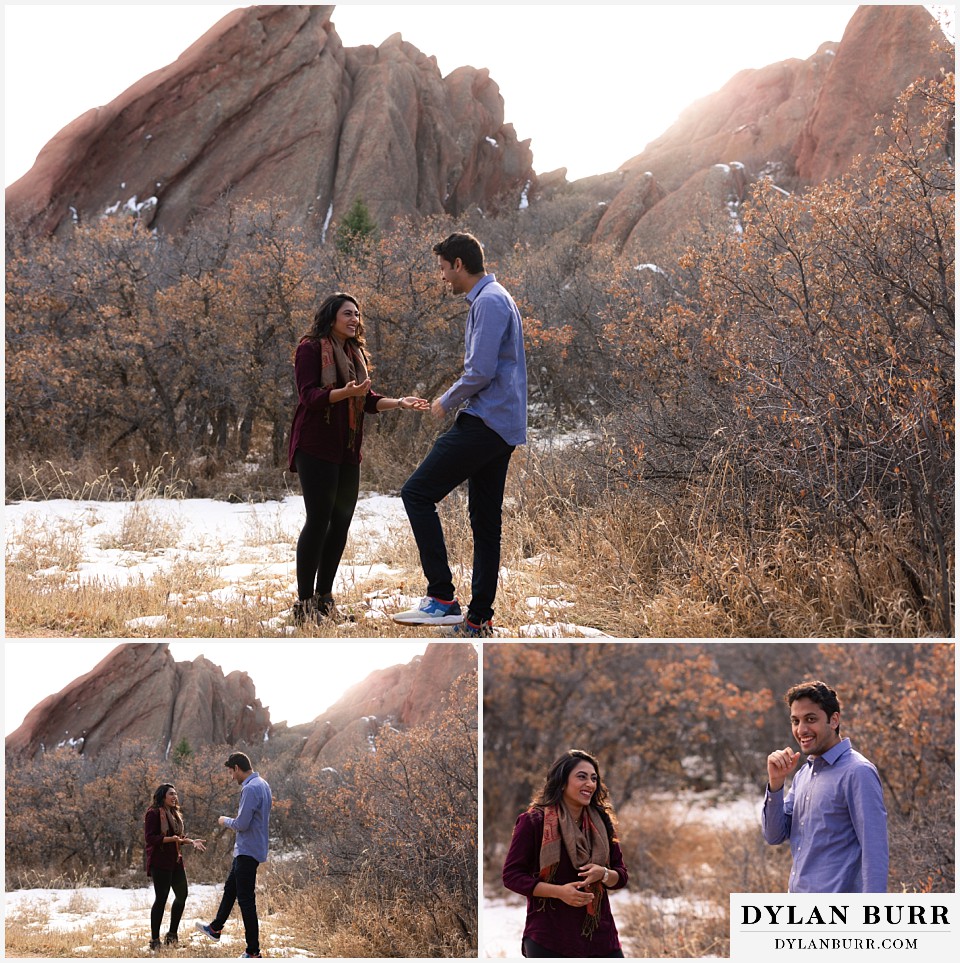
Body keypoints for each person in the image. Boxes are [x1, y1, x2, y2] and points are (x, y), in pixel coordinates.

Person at [392, 232, 527, 637]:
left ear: (459, 264)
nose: (442, 278)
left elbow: (481, 371)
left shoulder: (488, 301)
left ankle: (442, 599)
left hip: (484, 422)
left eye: (443, 269)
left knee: (416, 493)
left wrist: (444, 401)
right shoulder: (496, 297)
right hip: (502, 426)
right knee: (486, 524)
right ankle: (478, 620)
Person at [287, 291, 428, 625]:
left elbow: (366, 399)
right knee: (318, 521)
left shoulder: (354, 352)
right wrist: (346, 393)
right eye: (347, 314)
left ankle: (325, 600)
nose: (354, 320)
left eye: (357, 315)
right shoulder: (309, 348)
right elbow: (309, 396)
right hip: (316, 445)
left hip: (347, 448)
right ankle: (304, 605)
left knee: (341, 524)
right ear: (331, 317)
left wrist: (398, 402)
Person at [762, 679, 889, 892]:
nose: (801, 730)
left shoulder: (858, 772)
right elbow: (774, 836)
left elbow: (874, 851)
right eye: (795, 721)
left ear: (834, 720)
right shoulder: (804, 774)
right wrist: (775, 784)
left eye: (810, 719)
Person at [502, 749, 629, 958]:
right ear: (562, 781)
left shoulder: (602, 821)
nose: (590, 783)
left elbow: (621, 876)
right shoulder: (534, 821)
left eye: (594, 778)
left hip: (599, 935)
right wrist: (559, 892)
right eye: (582, 777)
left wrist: (603, 874)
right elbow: (512, 876)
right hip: (550, 936)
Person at [196, 752, 273, 959]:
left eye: (231, 772)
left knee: (246, 900)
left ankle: (253, 951)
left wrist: (224, 820)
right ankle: (215, 928)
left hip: (247, 850)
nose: (231, 777)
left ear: (237, 768)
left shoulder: (249, 788)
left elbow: (241, 824)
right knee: (231, 888)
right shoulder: (263, 784)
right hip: (253, 849)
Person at [143, 783, 206, 951]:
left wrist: (191, 841)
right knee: (161, 899)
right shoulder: (153, 813)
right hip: (160, 862)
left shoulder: (174, 813)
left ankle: (172, 935)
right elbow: (150, 838)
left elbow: (179, 837)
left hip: (175, 861)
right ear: (162, 795)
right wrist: (171, 840)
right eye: (171, 794)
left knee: (182, 895)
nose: (174, 797)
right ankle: (155, 941)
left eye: (175, 794)